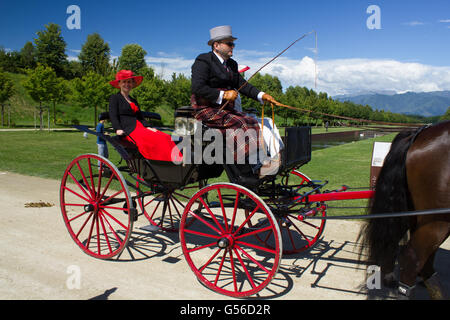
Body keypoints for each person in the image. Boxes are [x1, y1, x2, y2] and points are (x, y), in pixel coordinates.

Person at [191, 25, 278, 175]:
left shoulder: (232, 64)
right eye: (229, 43)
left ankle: (260, 161)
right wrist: (222, 95)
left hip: (225, 110)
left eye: (233, 44)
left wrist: (261, 95)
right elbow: (197, 87)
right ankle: (249, 169)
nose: (233, 46)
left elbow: (242, 85)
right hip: (205, 110)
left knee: (251, 121)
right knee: (241, 123)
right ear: (216, 45)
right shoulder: (203, 60)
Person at [108, 70, 182, 162]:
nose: (127, 84)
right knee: (157, 139)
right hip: (129, 130)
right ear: (119, 84)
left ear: (132, 84)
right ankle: (167, 161)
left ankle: (175, 161)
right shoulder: (115, 98)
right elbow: (113, 114)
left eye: (129, 82)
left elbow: (140, 117)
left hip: (140, 127)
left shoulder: (133, 100)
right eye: (124, 82)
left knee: (165, 137)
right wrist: (117, 129)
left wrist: (149, 127)